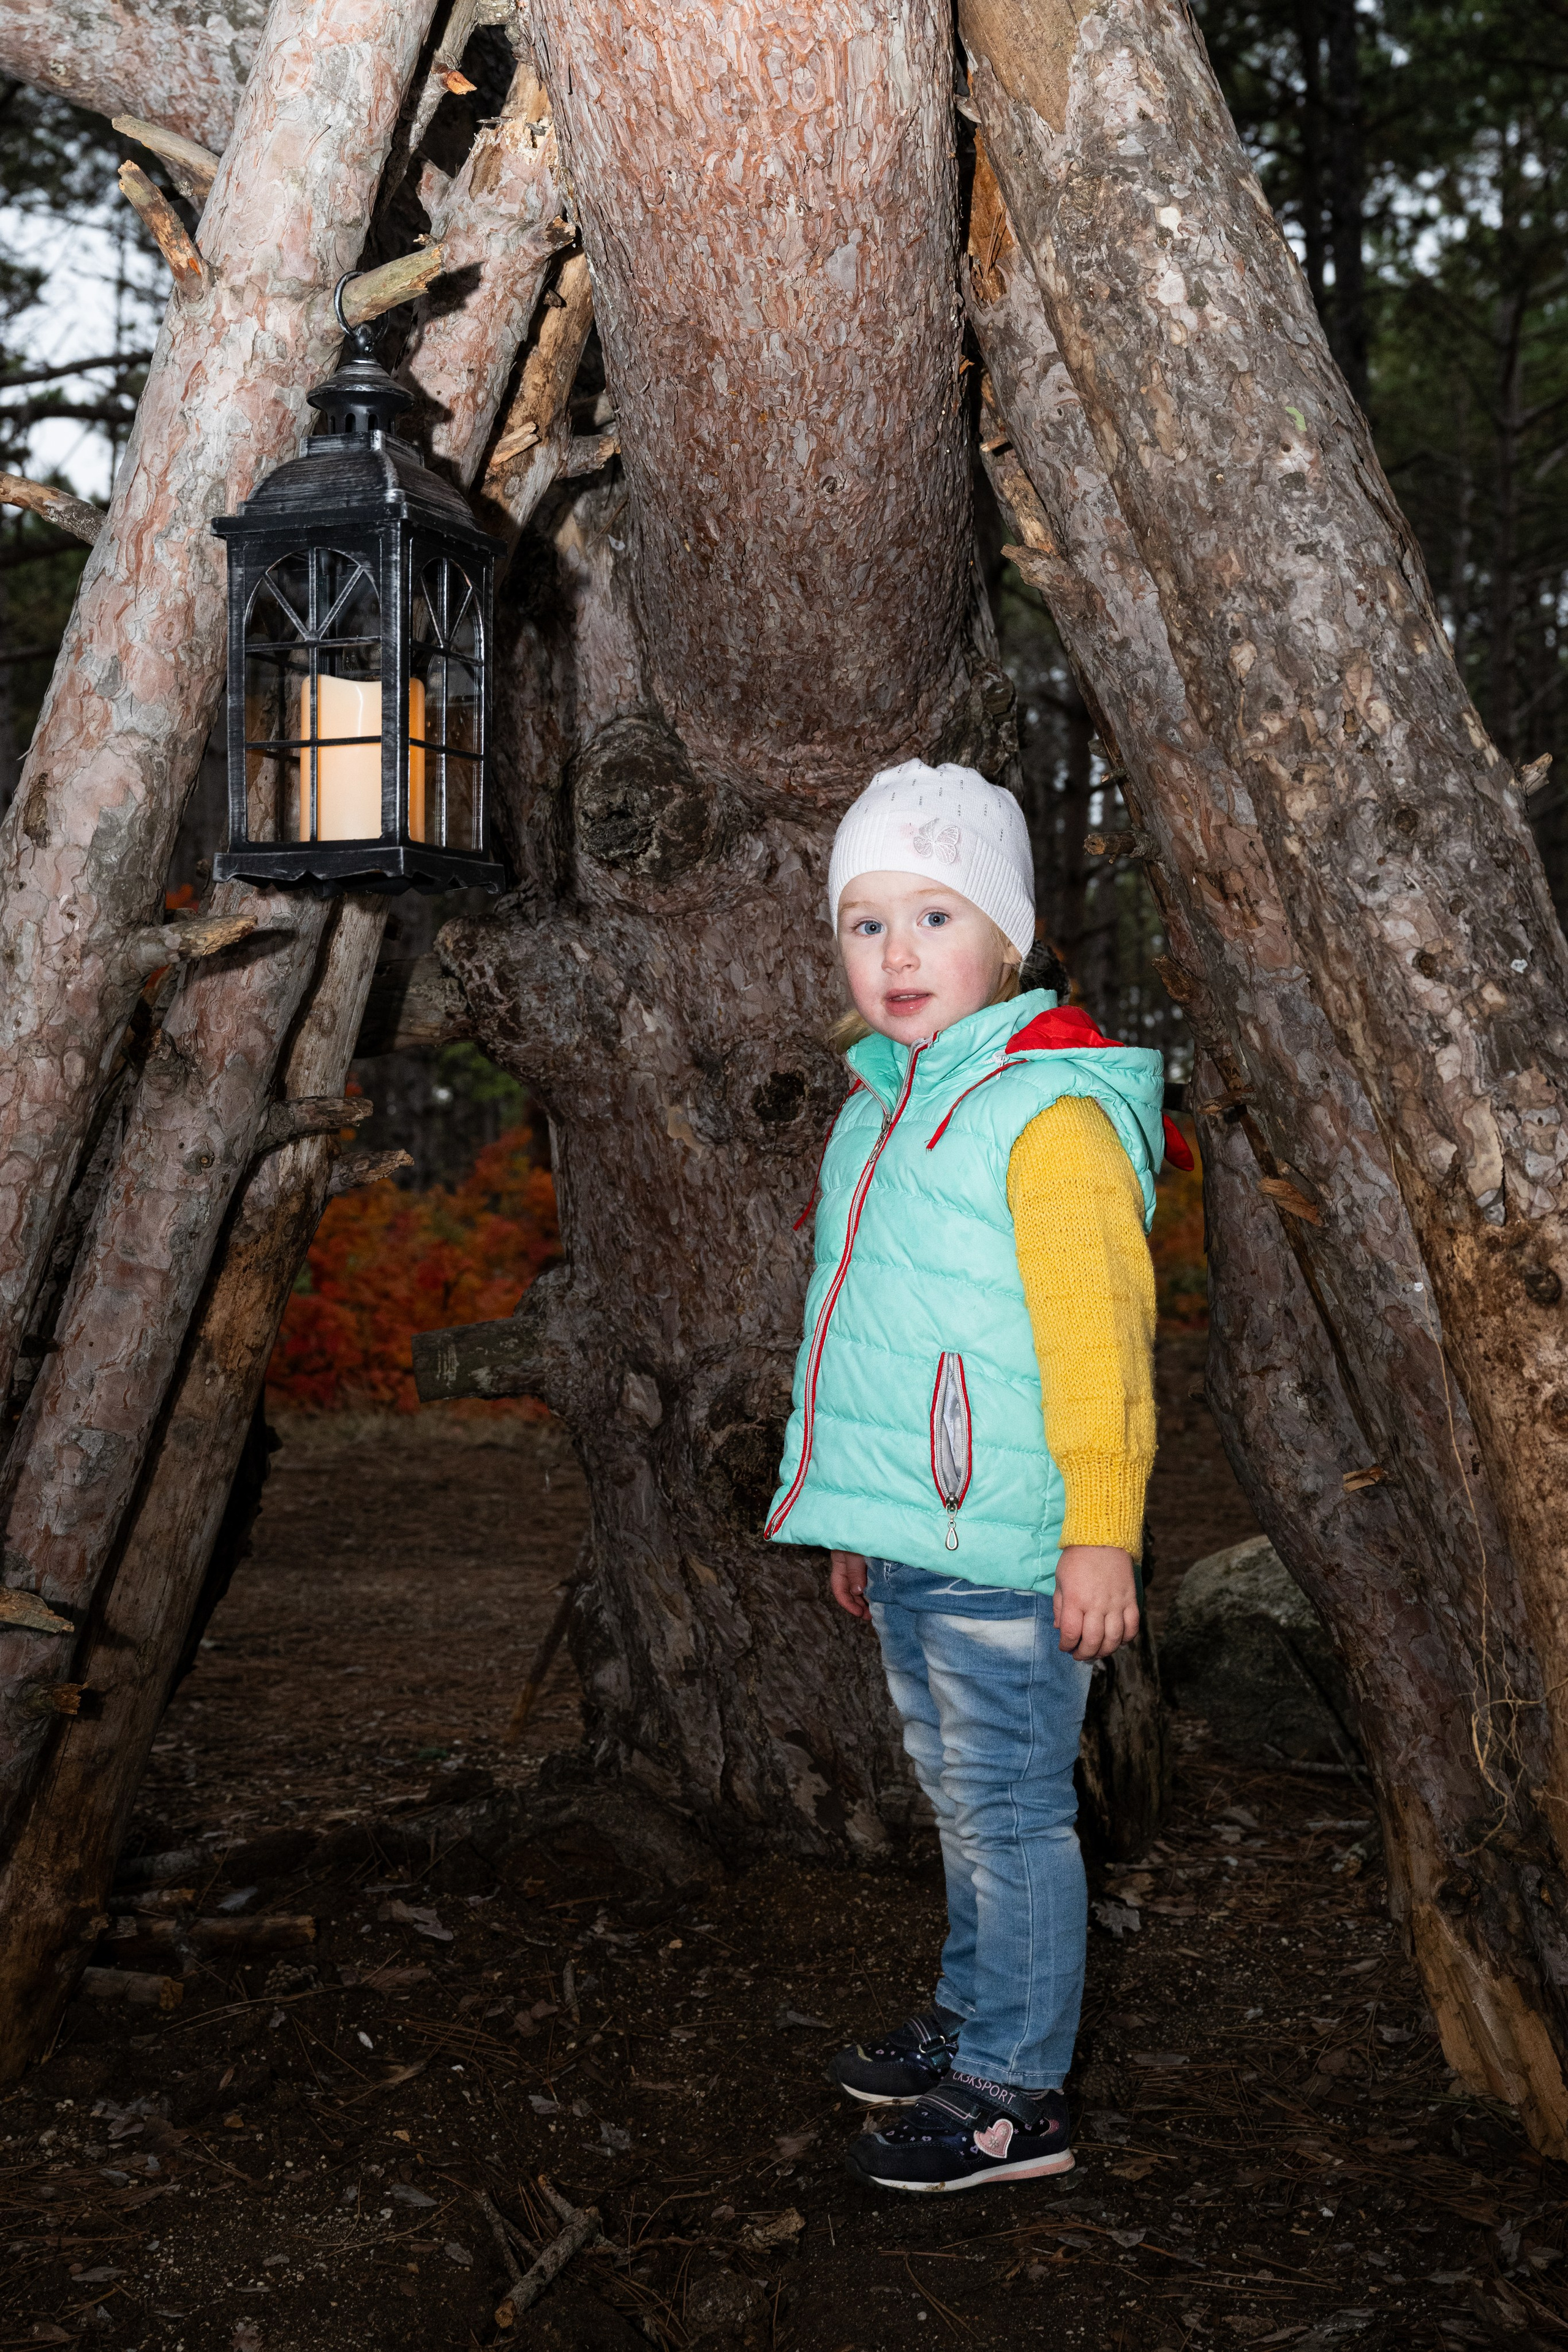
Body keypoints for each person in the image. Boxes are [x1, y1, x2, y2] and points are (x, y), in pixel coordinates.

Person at [766, 758, 1175, 2194]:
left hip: (1018, 1544)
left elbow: (1098, 1349)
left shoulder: (1044, 1117)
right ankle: (971, 2017)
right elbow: (872, 1340)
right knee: (959, 1797)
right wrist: (863, 1521)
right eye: (863, 922)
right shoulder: (880, 1104)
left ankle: (1017, 2094)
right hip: (924, 1537)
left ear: (1006, 936)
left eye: (933, 917)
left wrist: (1100, 1534)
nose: (894, 955)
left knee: (1010, 1808)